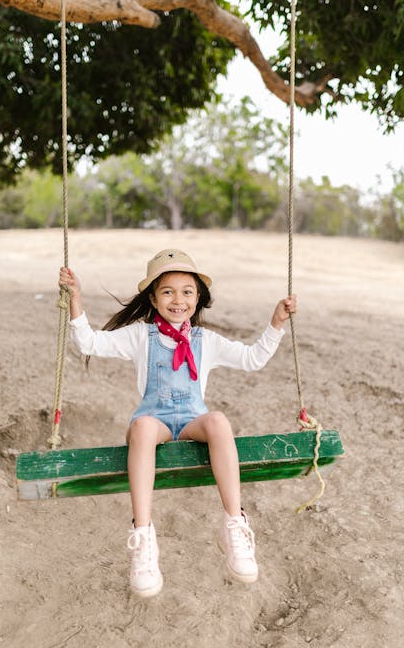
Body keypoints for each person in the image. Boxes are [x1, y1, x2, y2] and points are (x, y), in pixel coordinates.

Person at [59, 249, 297, 598]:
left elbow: (252, 359)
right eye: (168, 291)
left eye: (187, 291)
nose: (178, 299)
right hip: (153, 420)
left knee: (217, 421)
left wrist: (276, 322)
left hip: (190, 421)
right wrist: (76, 300)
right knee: (140, 428)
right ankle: (143, 539)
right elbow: (89, 342)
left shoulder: (206, 341)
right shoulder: (141, 336)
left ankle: (234, 525)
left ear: (198, 298)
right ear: (153, 298)